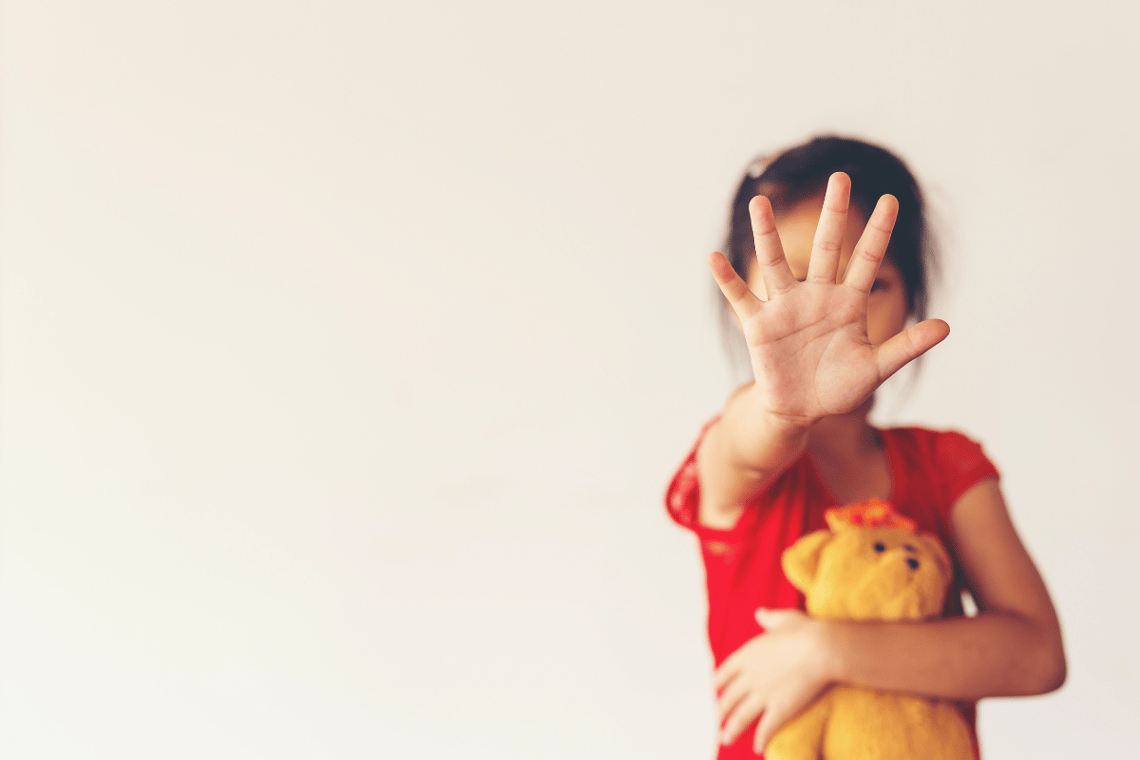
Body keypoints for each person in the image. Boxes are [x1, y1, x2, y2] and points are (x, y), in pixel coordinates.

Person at [665, 137, 1066, 759]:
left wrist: (826, 651)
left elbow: (1037, 656)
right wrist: (780, 404)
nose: (825, 316)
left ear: (911, 300)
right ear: (742, 294)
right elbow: (742, 446)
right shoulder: (740, 453)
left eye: (871, 283)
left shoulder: (948, 466)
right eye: (790, 282)